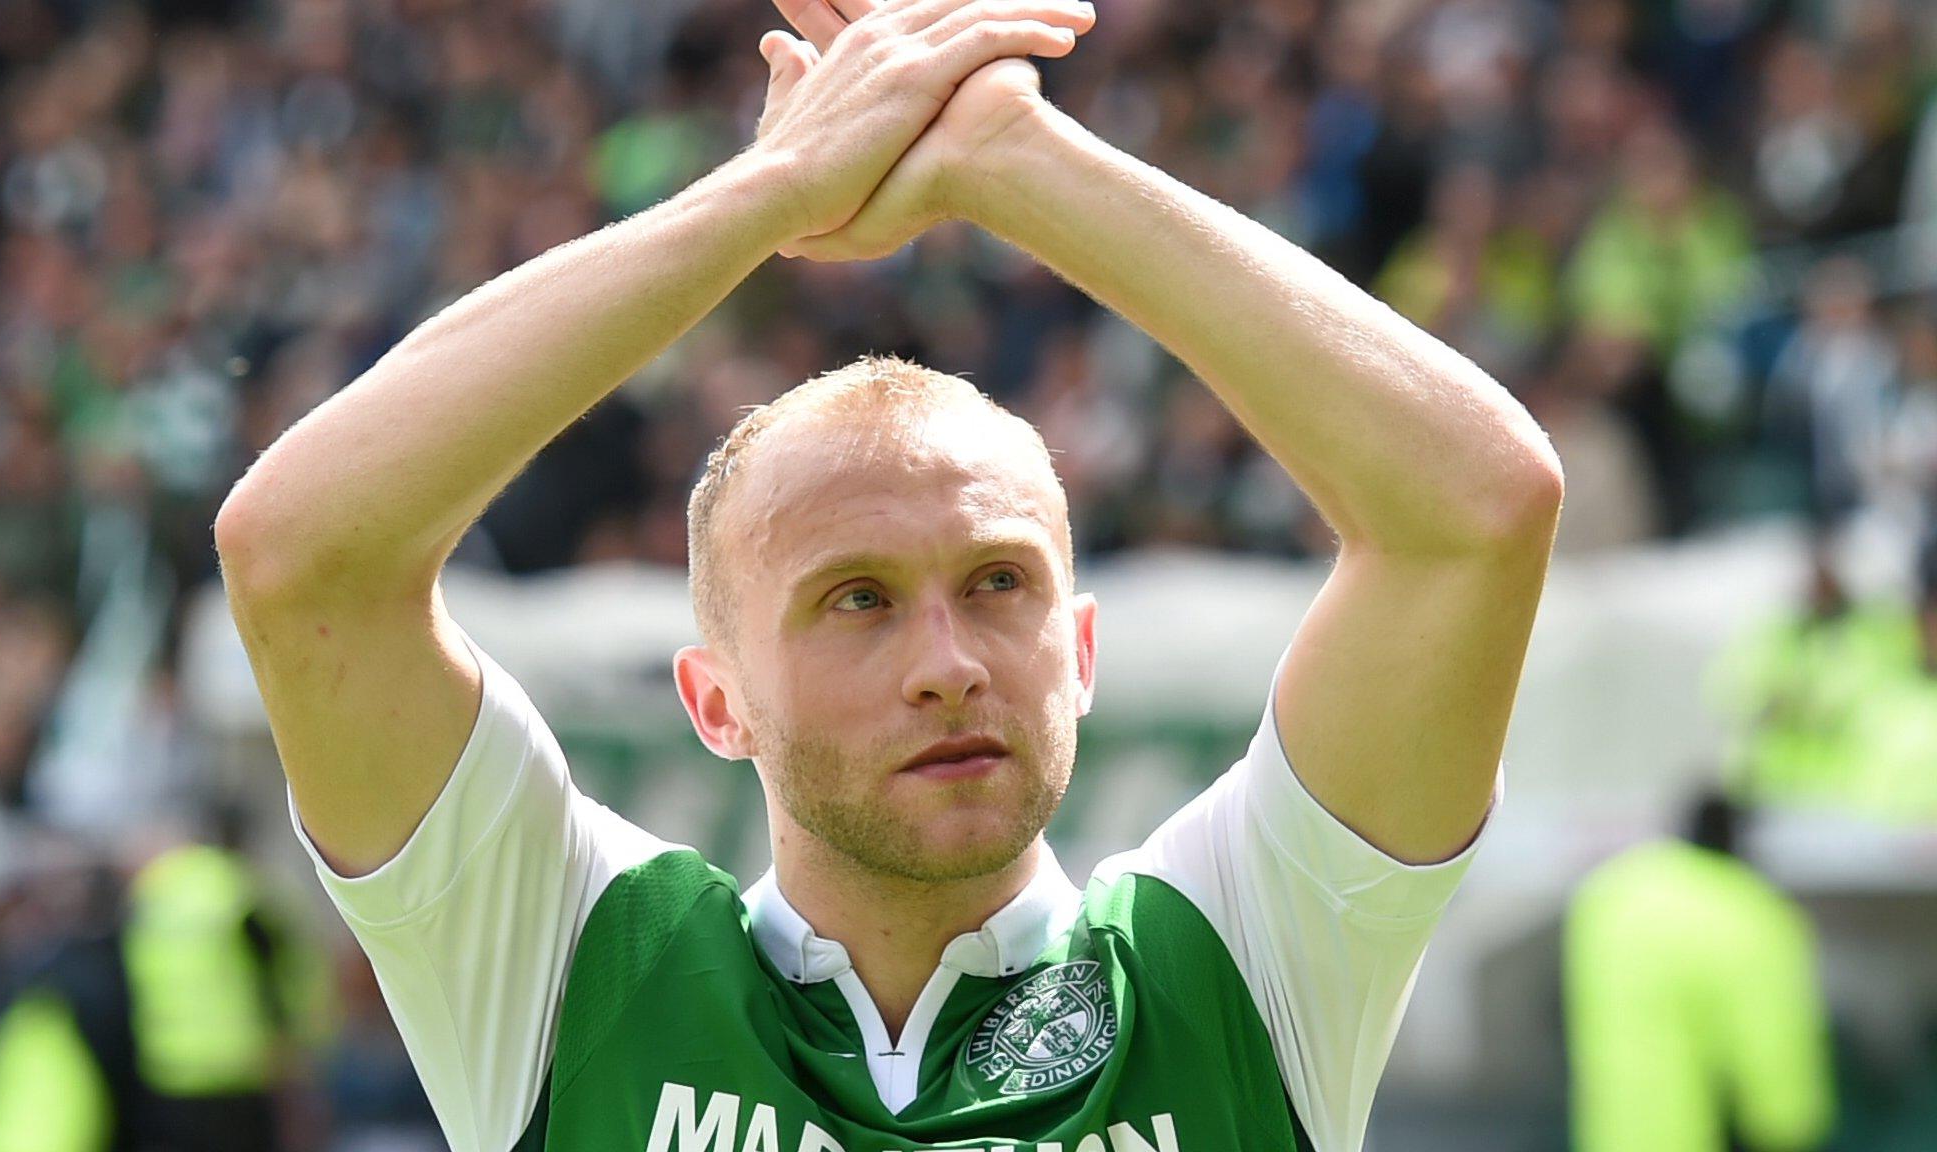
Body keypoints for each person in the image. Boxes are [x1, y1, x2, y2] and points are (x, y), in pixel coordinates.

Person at [213, 1, 1564, 1150]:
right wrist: (771, 194)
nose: (949, 664)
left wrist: (1011, 156)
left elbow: (1476, 513)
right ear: (715, 699)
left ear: (1082, 655)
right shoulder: (575, 969)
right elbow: (302, 557)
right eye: (855, 600)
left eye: (999, 584)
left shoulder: (1237, 955)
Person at [1563, 792, 1835, 1152]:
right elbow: (1775, 1060)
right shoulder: (1750, 913)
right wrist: (1792, 1127)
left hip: (1609, 1138)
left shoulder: (1610, 898)